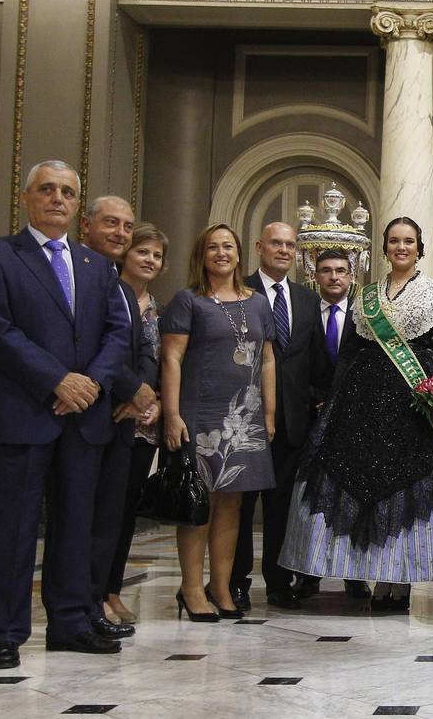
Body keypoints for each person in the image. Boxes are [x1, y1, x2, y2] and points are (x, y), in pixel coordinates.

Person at [0, 160, 132, 669]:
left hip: (82, 419)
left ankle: (70, 622)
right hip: (22, 412)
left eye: (67, 191)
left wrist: (89, 386)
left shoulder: (96, 266)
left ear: (77, 204)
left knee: (76, 526)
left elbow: (117, 333)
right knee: (12, 528)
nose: (57, 198)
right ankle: (3, 631)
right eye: (47, 190)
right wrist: (56, 380)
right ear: (26, 197)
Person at [280, 217, 433, 612]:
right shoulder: (365, 297)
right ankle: (368, 573)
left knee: (408, 488)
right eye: (394, 241)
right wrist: (334, 402)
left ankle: (399, 583)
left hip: (414, 406)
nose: (401, 247)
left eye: (409, 241)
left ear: (419, 247)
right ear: (384, 248)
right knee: (358, 481)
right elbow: (348, 354)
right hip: (361, 407)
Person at [161, 224, 277, 621]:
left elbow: (267, 359)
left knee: (232, 505)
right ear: (202, 255)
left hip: (245, 419)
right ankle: (192, 589)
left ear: (239, 253)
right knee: (199, 502)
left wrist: (269, 413)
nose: (222, 253)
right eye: (213, 247)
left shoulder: (258, 302)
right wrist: (172, 414)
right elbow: (172, 358)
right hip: (201, 415)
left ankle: (222, 586)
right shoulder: (187, 300)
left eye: (228, 246)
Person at [233, 222, 328, 611]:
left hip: (293, 423)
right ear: (259, 247)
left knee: (280, 508)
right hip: (243, 417)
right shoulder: (238, 291)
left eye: (291, 245)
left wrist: (315, 401)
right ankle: (235, 581)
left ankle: (277, 582)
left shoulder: (306, 299)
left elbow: (317, 361)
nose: (284, 250)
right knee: (239, 507)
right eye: (277, 243)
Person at [79, 196, 156, 642]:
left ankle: (94, 603)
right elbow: (89, 345)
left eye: (127, 226)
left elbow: (142, 348)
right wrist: (132, 388)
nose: (121, 233)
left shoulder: (123, 290)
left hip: (125, 422)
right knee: (81, 520)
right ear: (87, 225)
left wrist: (142, 390)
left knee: (111, 519)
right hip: (89, 413)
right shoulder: (85, 278)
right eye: (113, 224)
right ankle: (80, 607)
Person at [102, 222, 169, 626]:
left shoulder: (159, 309)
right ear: (126, 254)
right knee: (101, 511)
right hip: (110, 416)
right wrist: (129, 396)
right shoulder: (108, 297)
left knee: (126, 511)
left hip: (145, 425)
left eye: (157, 255)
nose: (150, 260)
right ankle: (91, 593)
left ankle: (112, 589)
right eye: (143, 252)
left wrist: (157, 401)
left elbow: (165, 364)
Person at [311, 249, 371, 601]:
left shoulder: (365, 313)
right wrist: (314, 398)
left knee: (349, 495)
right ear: (316, 276)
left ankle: (354, 574)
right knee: (309, 499)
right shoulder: (303, 310)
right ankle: (306, 575)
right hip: (309, 411)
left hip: (352, 414)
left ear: (351, 276)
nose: (334, 277)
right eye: (326, 271)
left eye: (341, 271)